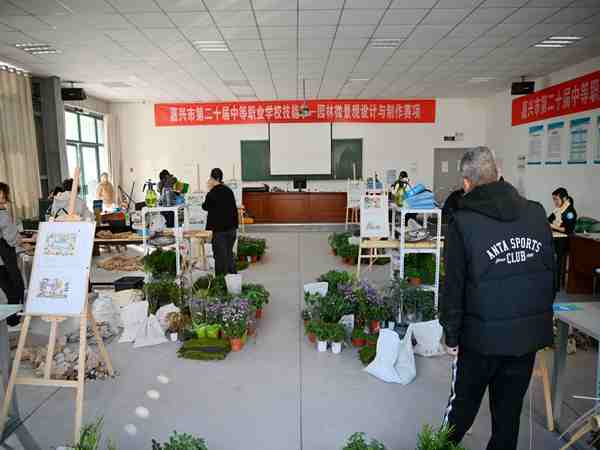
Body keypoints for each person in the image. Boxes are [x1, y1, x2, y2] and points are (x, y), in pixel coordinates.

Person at [440, 147, 554, 450]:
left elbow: (453, 286)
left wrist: (451, 335)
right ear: (498, 173)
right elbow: (550, 275)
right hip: (525, 339)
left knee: (460, 411)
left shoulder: (463, 222)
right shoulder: (536, 212)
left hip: (479, 341)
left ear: (467, 183)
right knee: (508, 417)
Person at [202, 168, 238, 275]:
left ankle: (221, 280)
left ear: (213, 179)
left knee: (219, 257)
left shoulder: (212, 193)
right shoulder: (229, 190)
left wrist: (209, 189)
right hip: (232, 229)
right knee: (229, 254)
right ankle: (233, 279)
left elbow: (205, 206)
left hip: (219, 231)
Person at [0, 183, 25, 327]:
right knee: (16, 287)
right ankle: (14, 319)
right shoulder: (2, 213)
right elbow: (11, 237)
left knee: (7, 288)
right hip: (5, 257)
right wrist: (22, 242)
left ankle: (11, 319)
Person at [548, 187, 577, 292]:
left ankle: (556, 285)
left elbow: (568, 229)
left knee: (557, 260)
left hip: (564, 241)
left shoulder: (570, 212)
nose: (555, 202)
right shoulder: (558, 209)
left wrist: (552, 226)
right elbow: (548, 220)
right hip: (555, 238)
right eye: (554, 199)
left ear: (564, 199)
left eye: (556, 199)